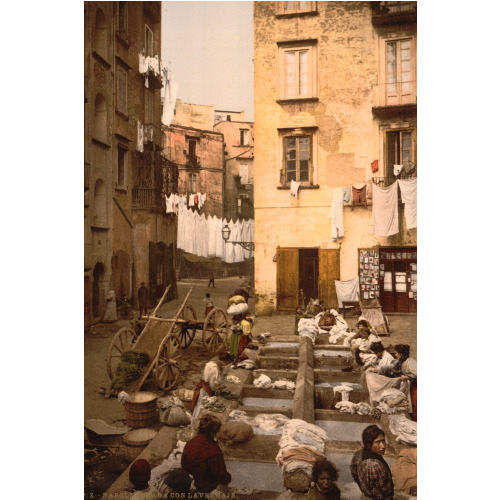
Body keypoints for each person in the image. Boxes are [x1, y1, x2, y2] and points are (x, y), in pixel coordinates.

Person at [181, 414, 231, 494]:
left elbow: (184, 464)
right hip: (206, 487)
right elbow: (221, 476)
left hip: (188, 480)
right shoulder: (214, 451)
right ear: (213, 432)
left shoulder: (190, 443)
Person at [350, 425, 394, 500]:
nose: (383, 446)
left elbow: (354, 471)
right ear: (369, 444)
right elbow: (379, 495)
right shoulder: (374, 466)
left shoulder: (359, 454)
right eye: (378, 442)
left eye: (383, 441)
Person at [394, 344, 417, 421]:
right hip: (409, 383)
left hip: (415, 385)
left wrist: (407, 377)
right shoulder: (402, 360)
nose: (395, 354)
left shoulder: (411, 362)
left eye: (397, 353)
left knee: (414, 402)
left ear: (401, 354)